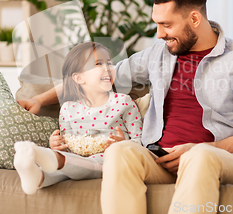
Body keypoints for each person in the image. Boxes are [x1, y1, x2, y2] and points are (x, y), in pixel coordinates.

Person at [18, 0, 233, 214]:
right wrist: (41, 99)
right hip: (158, 157)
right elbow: (101, 77)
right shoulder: (158, 54)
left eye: (166, 24)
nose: (160, 33)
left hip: (217, 157)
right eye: (157, 24)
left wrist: (204, 147)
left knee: (199, 157)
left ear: (195, 18)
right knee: (120, 152)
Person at [14, 42, 143, 195]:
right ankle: (36, 175)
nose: (107, 68)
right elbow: (69, 146)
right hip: (76, 162)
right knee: (62, 170)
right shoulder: (68, 109)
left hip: (112, 160)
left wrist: (123, 145)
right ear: (79, 78)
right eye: (98, 64)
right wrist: (57, 145)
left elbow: (139, 141)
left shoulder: (123, 102)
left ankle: (48, 157)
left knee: (95, 163)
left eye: (109, 63)